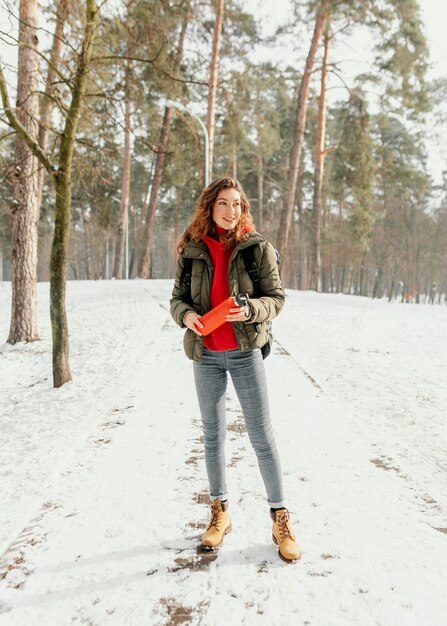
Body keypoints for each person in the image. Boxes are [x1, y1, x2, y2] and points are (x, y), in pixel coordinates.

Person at [170, 176, 300, 562]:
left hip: (245, 352)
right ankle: (220, 513)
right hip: (205, 354)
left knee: (261, 436)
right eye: (224, 203)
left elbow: (275, 299)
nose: (232, 211)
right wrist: (188, 315)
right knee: (212, 436)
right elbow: (177, 299)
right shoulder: (192, 249)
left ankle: (280, 517)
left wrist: (251, 310)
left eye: (238, 204)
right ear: (210, 207)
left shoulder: (256, 248)